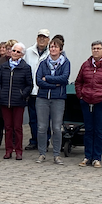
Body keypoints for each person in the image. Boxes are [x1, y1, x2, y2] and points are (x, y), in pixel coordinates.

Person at [75, 40, 102, 168]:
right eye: (93, 48)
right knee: (88, 130)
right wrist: (81, 95)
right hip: (87, 101)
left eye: (98, 48)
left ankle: (97, 158)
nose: (95, 50)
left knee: (99, 130)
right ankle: (87, 156)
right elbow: (78, 82)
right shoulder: (86, 65)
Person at [34, 35, 69, 165]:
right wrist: (54, 84)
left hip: (58, 99)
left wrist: (47, 78)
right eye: (51, 46)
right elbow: (38, 81)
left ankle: (56, 154)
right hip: (42, 98)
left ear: (60, 49)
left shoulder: (65, 63)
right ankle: (42, 153)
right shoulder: (43, 63)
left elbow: (64, 79)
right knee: (42, 127)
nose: (53, 49)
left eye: (55, 47)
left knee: (56, 127)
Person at [0, 42, 32, 160]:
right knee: (8, 127)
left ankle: (18, 151)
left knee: (17, 127)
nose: (15, 53)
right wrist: (0, 93)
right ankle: (8, 150)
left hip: (18, 102)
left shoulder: (26, 68)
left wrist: (22, 94)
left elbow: (29, 85)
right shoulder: (4, 66)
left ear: (22, 55)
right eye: (14, 51)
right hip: (5, 101)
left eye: (18, 52)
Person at [23, 29, 51, 151]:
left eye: (44, 37)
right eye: (40, 37)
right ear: (36, 38)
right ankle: (34, 140)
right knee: (33, 119)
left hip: (45, 92)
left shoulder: (52, 53)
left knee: (45, 119)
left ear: (48, 40)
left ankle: (45, 141)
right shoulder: (28, 52)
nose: (42, 39)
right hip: (32, 91)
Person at [0, 40, 15, 150]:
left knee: (13, 123)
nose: (9, 51)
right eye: (7, 48)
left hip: (14, 97)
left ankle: (13, 143)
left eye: (12, 49)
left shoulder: (20, 63)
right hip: (0, 96)